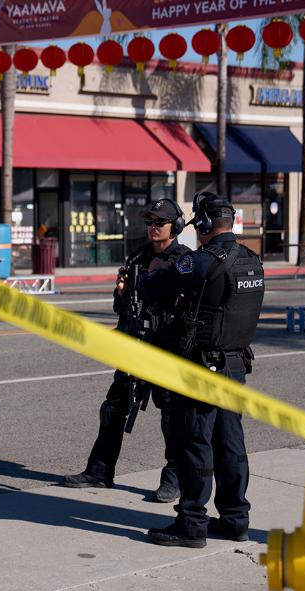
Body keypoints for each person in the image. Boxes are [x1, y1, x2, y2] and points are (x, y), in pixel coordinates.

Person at [138, 191, 265, 548]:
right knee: (231, 444)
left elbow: (154, 286)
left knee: (195, 442)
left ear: (206, 224)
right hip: (235, 365)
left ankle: (191, 523)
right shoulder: (251, 260)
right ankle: (235, 519)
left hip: (202, 368)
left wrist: (155, 274)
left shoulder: (204, 261)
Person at [63, 198, 192, 503]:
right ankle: (100, 470)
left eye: (158, 223)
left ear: (175, 227)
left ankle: (174, 477)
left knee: (171, 415)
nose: (152, 228)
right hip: (134, 345)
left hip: (165, 350)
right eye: (149, 222)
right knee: (113, 408)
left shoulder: (184, 261)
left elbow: (188, 308)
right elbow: (122, 306)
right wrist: (121, 294)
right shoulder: (138, 257)